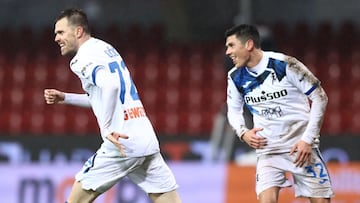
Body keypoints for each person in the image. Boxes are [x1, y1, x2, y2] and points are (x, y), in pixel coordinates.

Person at [44, 8, 181, 203]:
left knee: (76, 198)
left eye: (60, 32)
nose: (56, 38)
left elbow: (111, 86)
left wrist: (106, 128)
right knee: (167, 199)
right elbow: (102, 95)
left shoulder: (82, 59)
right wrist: (65, 97)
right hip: (144, 137)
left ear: (78, 31)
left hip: (122, 143)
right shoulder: (104, 48)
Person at [225, 24, 334, 203]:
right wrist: (243, 132)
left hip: (301, 149)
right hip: (268, 150)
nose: (228, 52)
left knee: (321, 201)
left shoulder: (285, 64)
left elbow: (320, 97)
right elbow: (234, 111)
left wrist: (307, 140)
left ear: (249, 45)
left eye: (231, 45)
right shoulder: (235, 76)